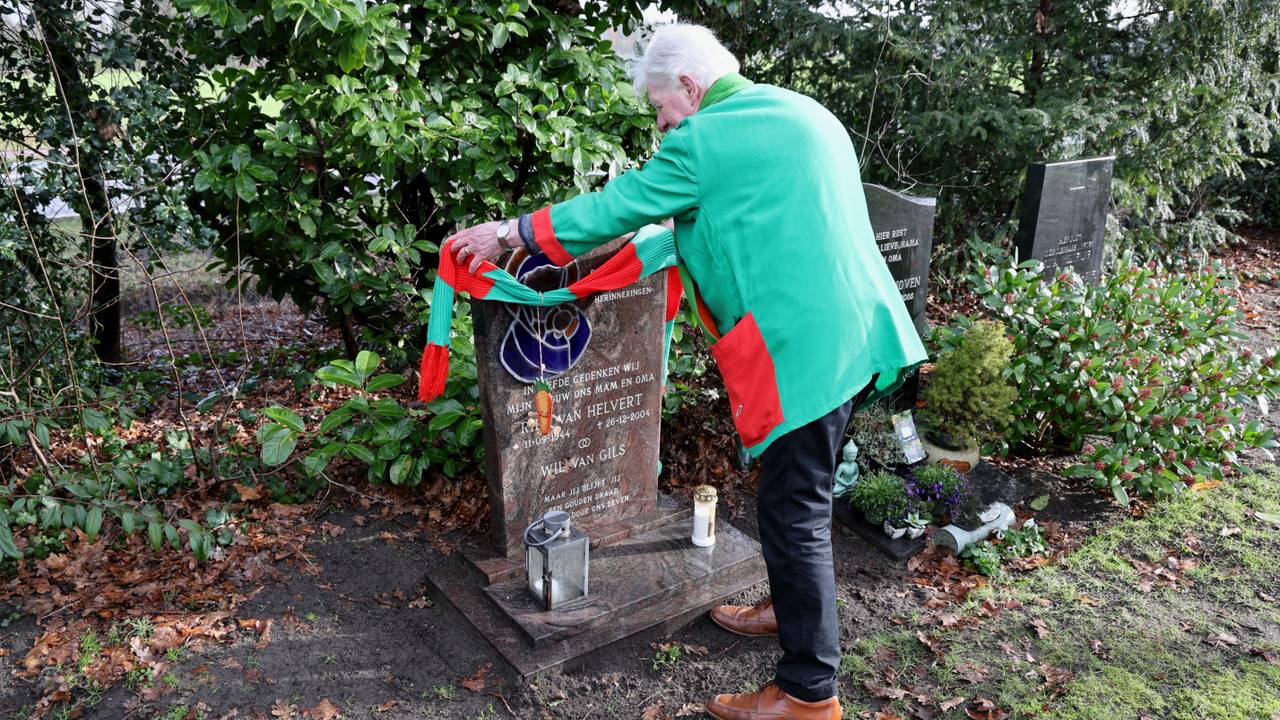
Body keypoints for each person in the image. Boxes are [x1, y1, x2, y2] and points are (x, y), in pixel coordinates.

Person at [446, 23, 926, 720]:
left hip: (801, 354)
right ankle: (790, 609)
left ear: (691, 88)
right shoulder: (799, 110)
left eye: (661, 108)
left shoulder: (706, 138)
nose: (661, 125)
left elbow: (620, 203)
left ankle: (808, 694)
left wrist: (512, 233)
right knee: (803, 494)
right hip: (857, 337)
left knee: (793, 510)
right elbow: (761, 216)